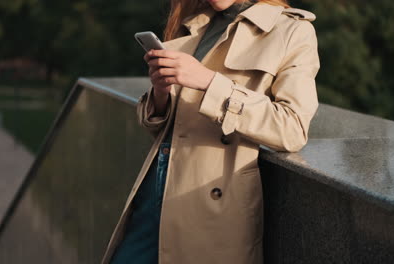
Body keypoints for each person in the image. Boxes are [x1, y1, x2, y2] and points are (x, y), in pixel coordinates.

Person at [104, 0, 319, 263]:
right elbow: (163, 124)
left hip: (211, 202)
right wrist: (161, 91)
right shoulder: (195, 24)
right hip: (156, 186)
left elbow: (293, 128)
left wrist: (208, 81)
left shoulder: (291, 30)